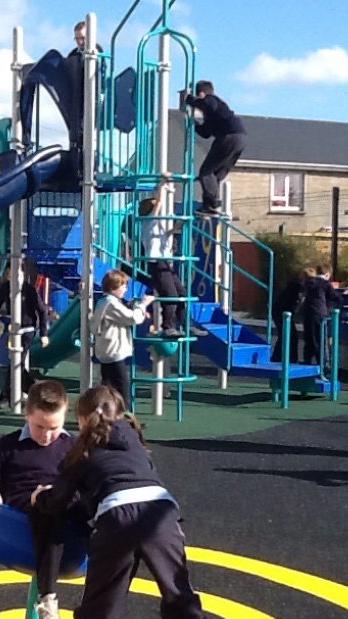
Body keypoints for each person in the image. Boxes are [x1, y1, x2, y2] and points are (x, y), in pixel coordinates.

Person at [32, 385, 234, 619]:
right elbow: (125, 479)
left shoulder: (80, 453)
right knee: (181, 601)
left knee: (98, 614)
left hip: (116, 519)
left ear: (81, 419)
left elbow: (58, 503)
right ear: (120, 412)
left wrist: (40, 497)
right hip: (160, 515)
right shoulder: (134, 440)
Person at [0, 380, 125, 619]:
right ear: (27, 415)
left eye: (55, 427)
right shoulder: (9, 446)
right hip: (20, 523)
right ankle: (47, 600)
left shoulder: (74, 447)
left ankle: (98, 618)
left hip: (68, 517)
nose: (48, 436)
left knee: (107, 521)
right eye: (39, 427)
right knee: (46, 507)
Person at [0, 263, 49, 408]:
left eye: (17, 275)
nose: (13, 278)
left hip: (27, 329)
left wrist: (43, 333)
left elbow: (42, 311)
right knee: (17, 363)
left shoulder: (29, 290)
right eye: (10, 275)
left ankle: (6, 396)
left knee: (16, 362)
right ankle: (33, 389)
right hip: (14, 329)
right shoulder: (6, 288)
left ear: (23, 275)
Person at [90, 269, 154, 403]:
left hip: (106, 351)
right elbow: (132, 318)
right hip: (113, 351)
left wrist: (133, 306)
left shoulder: (105, 301)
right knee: (122, 386)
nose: (125, 289)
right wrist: (142, 304)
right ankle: (125, 418)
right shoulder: (111, 304)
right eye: (123, 285)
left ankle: (102, 414)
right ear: (114, 287)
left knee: (107, 386)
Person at [184, 80, 247, 216]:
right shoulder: (213, 114)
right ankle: (209, 205)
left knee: (206, 172)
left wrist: (190, 100)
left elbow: (208, 104)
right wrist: (193, 124)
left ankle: (212, 204)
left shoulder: (211, 100)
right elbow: (206, 133)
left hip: (229, 136)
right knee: (216, 174)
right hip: (239, 138)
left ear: (201, 94)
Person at [140, 175, 186, 338]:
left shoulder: (156, 226)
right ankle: (168, 326)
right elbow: (159, 202)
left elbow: (167, 234)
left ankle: (184, 324)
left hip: (166, 262)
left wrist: (178, 225)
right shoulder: (148, 221)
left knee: (182, 294)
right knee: (170, 295)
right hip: (157, 263)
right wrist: (163, 184)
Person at [301, 265, 343, 365]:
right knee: (320, 339)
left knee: (309, 337)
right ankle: (324, 364)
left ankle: (307, 360)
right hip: (320, 314)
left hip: (307, 313)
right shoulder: (325, 284)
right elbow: (336, 298)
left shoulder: (308, 282)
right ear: (327, 274)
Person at [271, 267, 314, 363]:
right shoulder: (298, 287)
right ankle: (288, 359)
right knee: (289, 335)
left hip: (281, 312)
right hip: (282, 313)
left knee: (286, 335)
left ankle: (279, 358)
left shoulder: (296, 286)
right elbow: (295, 302)